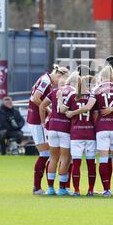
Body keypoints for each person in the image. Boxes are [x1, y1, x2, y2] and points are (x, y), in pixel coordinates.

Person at [72, 65, 113, 197]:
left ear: (101, 76)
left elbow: (88, 106)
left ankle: (106, 190)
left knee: (103, 160)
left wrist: (73, 112)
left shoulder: (96, 89)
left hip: (102, 129)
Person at [28, 65, 69, 196]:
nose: (62, 84)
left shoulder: (46, 79)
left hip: (37, 119)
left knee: (48, 155)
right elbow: (35, 98)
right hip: (36, 120)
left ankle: (45, 187)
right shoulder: (46, 81)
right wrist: (49, 111)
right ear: (59, 75)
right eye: (63, 80)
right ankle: (37, 187)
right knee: (45, 154)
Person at [39, 70, 76, 196]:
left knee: (53, 158)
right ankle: (62, 188)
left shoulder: (55, 91)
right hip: (65, 129)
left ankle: (50, 188)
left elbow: (42, 105)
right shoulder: (73, 92)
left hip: (53, 128)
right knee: (65, 158)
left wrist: (44, 122)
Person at [64, 75, 97, 197]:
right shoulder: (93, 97)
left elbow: (64, 110)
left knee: (76, 163)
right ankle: (90, 190)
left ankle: (77, 190)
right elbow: (96, 116)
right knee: (90, 164)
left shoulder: (73, 96)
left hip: (76, 133)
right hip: (90, 133)